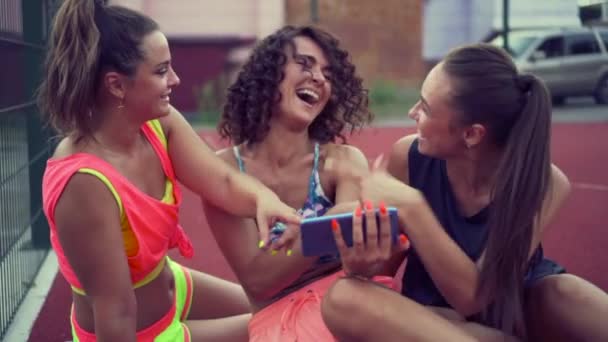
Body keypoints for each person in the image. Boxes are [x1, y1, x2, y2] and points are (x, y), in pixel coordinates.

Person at [38, 1, 299, 341]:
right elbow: (115, 315)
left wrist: (265, 199)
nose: (175, 80)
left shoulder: (157, 123)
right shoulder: (84, 184)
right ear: (116, 85)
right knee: (283, 330)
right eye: (161, 71)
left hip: (170, 285)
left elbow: (222, 181)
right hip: (140, 333)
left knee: (282, 307)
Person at [320, 43, 608, 341]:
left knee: (565, 291)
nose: (412, 112)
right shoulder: (408, 156)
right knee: (345, 297)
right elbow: (384, 272)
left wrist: (412, 207)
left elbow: (473, 298)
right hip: (434, 320)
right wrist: (360, 264)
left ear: (472, 134)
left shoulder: (545, 181)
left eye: (425, 107)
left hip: (515, 310)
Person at [203, 26, 399, 341]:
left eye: (328, 74)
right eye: (305, 65)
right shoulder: (225, 170)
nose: (319, 78)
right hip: (277, 321)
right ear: (268, 74)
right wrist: (325, 225)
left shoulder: (343, 161)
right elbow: (258, 280)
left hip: (345, 306)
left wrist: (316, 238)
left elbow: (355, 264)